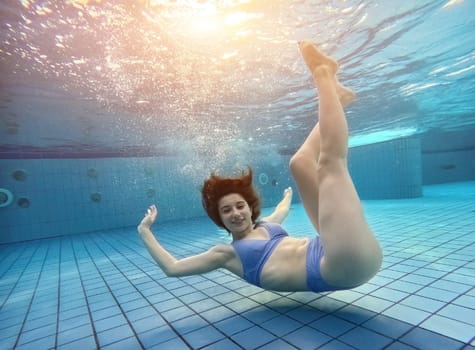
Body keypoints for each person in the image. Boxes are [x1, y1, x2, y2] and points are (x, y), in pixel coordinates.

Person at [138, 41, 383, 292]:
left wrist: (288, 197)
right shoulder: (226, 254)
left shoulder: (267, 224)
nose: (235, 213)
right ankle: (322, 74)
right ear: (219, 218)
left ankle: (338, 99)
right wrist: (144, 230)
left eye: (239, 205)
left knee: (298, 163)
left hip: (333, 248)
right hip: (341, 267)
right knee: (330, 165)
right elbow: (173, 267)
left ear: (249, 208)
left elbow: (281, 211)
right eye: (226, 210)